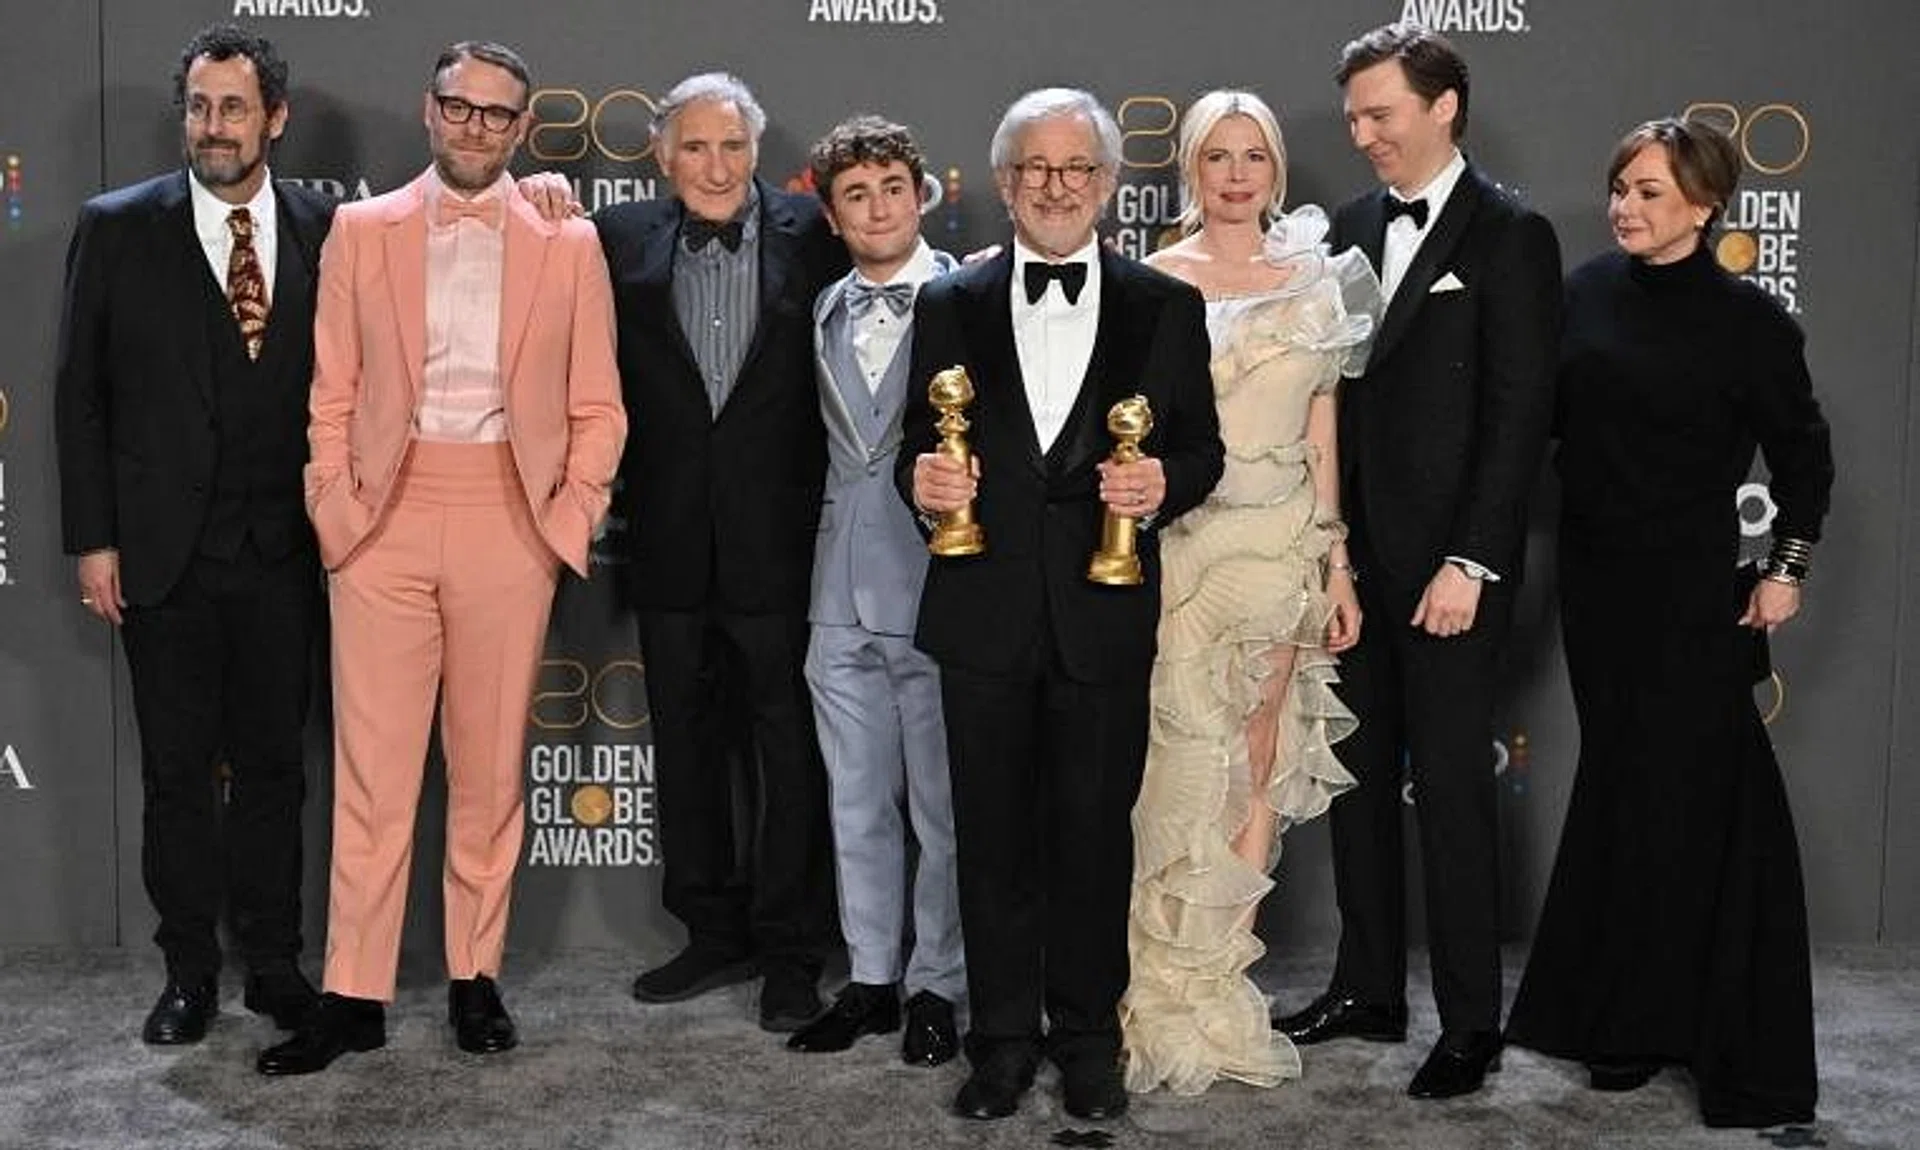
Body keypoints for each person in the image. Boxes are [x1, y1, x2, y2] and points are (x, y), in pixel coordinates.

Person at [256, 40, 625, 1075]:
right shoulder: (361, 231)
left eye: (498, 116)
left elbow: (600, 406)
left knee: (489, 770)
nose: (475, 128)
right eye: (460, 108)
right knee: (371, 775)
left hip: (511, 516)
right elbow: (331, 390)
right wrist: (338, 509)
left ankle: (475, 977)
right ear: (430, 111)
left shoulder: (569, 241)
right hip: (382, 520)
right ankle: (355, 993)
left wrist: (565, 512)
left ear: (520, 129)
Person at [902, 88, 1224, 1122]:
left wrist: (1163, 482)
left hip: (1103, 608)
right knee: (989, 839)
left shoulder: (1165, 306)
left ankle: (1088, 1038)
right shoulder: (946, 302)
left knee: (1093, 835)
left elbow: (1202, 445)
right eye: (1035, 169)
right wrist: (924, 482)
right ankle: (1000, 1040)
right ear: (1003, 184)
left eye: (1077, 169)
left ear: (1109, 186)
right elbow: (922, 441)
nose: (1056, 187)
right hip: (981, 606)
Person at [1505, 117, 1831, 1129]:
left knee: (1697, 797)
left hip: (1700, 590)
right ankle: (1622, 1015)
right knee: (1623, 787)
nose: (1625, 208)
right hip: (1601, 586)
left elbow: (1806, 459)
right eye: (1619, 188)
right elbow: (1539, 422)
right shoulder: (1584, 294)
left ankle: (1707, 1025)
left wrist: (1786, 570)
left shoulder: (1752, 321)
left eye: (1649, 192)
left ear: (1704, 202)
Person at [1275, 22, 1562, 1101]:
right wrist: (1333, 552)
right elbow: (1331, 405)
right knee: (1355, 782)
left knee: (1448, 790)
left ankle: (1471, 1023)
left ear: (1444, 108)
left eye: (1380, 113)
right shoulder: (1347, 226)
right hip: (1358, 561)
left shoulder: (1511, 234)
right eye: (1352, 115)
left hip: (1453, 570)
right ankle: (1368, 986)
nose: (1362, 134)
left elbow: (1520, 411)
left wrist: (1474, 560)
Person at [54, 23, 332, 1046]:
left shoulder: (324, 227)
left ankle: (273, 962)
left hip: (286, 559)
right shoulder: (116, 225)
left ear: (276, 119)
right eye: (200, 108)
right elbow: (79, 397)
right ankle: (188, 973)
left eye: (233, 108)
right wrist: (94, 540)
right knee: (176, 775)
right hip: (162, 558)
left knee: (275, 767)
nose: (213, 127)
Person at [1119, 90, 1377, 1097]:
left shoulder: (1320, 279)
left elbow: (1325, 432)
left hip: (1283, 542)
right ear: (1189, 168)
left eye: (1254, 156)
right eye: (1217, 156)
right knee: (1177, 757)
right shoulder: (1146, 279)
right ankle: (1158, 979)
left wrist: (1338, 560)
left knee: (1259, 753)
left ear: (1275, 170)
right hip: (1182, 545)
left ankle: (1219, 978)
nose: (1236, 174)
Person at [594, 74, 848, 1033]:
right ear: (661, 156)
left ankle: (791, 947)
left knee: (791, 757)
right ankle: (710, 929)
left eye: (732, 147)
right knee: (689, 752)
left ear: (757, 149)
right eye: (694, 148)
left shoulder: (815, 235)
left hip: (783, 550)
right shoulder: (615, 242)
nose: (714, 166)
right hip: (664, 546)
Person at [784, 116, 964, 1066]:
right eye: (856, 193)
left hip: (939, 589)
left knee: (941, 809)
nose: (877, 207)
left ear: (920, 192)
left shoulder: (971, 295)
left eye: (893, 186)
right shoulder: (822, 307)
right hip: (835, 593)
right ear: (833, 209)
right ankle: (870, 979)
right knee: (855, 801)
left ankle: (940, 985)